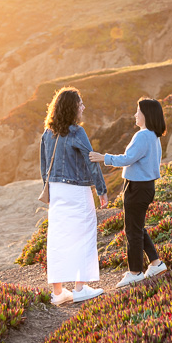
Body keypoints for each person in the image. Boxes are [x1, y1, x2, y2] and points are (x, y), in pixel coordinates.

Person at [40, 86, 109, 305]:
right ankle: (80, 288)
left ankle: (58, 292)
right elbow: (92, 161)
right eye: (80, 104)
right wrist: (101, 190)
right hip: (77, 190)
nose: (83, 107)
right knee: (85, 233)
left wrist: (48, 189)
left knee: (58, 238)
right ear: (72, 108)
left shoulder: (47, 134)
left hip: (57, 191)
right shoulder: (77, 132)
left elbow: (44, 166)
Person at [90, 97, 167, 288]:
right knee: (137, 227)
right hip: (146, 187)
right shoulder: (153, 135)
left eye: (138, 111)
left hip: (137, 187)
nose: (135, 114)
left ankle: (135, 272)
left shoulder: (143, 135)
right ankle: (156, 263)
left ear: (146, 114)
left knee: (133, 230)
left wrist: (103, 157)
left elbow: (127, 159)